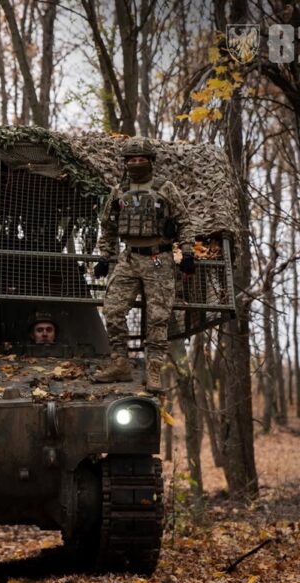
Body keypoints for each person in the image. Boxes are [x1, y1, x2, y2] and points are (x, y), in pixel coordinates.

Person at [93, 137, 197, 392]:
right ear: (125, 162)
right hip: (129, 258)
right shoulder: (118, 192)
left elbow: (184, 221)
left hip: (158, 259)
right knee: (113, 310)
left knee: (158, 318)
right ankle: (120, 363)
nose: (136, 163)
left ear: (151, 161)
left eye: (141, 159)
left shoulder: (165, 188)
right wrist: (105, 257)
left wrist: (187, 253)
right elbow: (107, 226)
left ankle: (153, 371)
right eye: (131, 159)